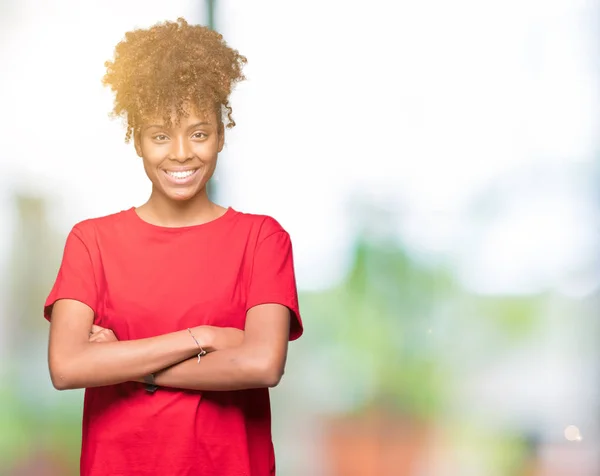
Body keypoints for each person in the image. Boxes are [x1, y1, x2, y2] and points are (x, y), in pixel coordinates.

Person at [44, 18, 303, 476]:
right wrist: (203, 339)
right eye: (160, 135)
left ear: (221, 136)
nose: (181, 152)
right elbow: (66, 367)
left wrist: (124, 363)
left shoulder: (263, 239)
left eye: (199, 133)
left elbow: (262, 364)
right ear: (138, 141)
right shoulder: (91, 242)